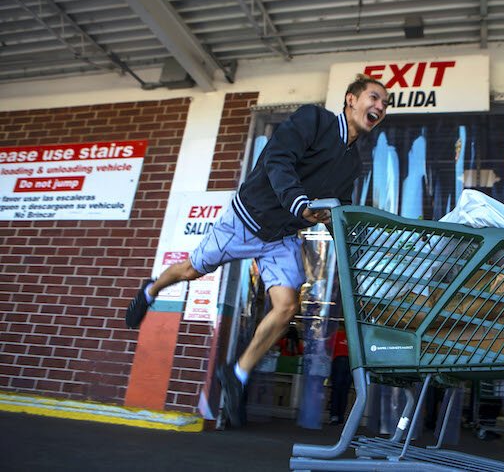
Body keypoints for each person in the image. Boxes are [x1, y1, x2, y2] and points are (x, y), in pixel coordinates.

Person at [125, 74, 388, 426]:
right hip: (246, 219)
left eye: (385, 104)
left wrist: (340, 223)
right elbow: (278, 161)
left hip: (281, 237)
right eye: (374, 98)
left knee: (286, 306)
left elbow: (338, 205)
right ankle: (151, 288)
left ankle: (237, 374)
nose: (380, 107)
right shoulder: (313, 119)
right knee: (191, 270)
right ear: (351, 99)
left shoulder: (352, 163)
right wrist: (298, 203)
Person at [328, 325, 351, 425]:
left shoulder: (336, 335)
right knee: (345, 392)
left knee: (336, 390)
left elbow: (328, 348)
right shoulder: (352, 336)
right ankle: (341, 417)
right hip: (350, 363)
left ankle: (334, 416)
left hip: (338, 362)